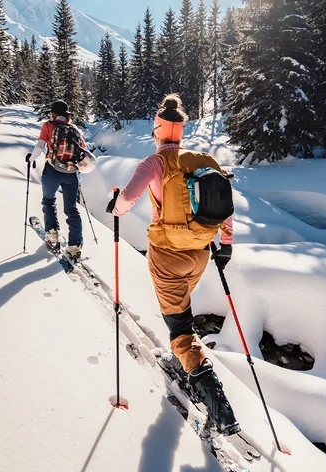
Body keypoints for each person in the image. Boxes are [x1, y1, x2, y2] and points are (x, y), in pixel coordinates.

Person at [106, 94, 239, 435]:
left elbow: (125, 201)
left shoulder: (153, 163)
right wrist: (225, 244)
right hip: (200, 255)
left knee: (179, 327)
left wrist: (115, 205)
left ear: (158, 131)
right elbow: (225, 205)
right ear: (180, 132)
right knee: (180, 310)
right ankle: (183, 358)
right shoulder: (203, 160)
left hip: (167, 256)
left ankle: (216, 403)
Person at [26, 100, 88, 261]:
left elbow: (40, 146)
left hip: (52, 170)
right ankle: (75, 247)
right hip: (71, 173)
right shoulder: (74, 129)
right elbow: (83, 150)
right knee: (72, 209)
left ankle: (53, 235)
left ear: (53, 113)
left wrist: (30, 158)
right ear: (67, 115)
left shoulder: (48, 126)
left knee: (48, 200)